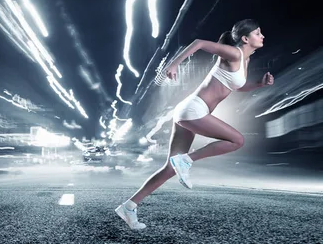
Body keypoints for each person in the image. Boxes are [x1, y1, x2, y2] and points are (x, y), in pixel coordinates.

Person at [115, 19, 274, 230]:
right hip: (193, 110)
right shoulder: (234, 52)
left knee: (170, 167)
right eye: (258, 33)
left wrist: (259, 85)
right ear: (245, 39)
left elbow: (236, 86)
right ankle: (187, 160)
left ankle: (129, 206)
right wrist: (173, 64)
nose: (262, 36)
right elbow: (199, 42)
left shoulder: (244, 60)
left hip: (190, 111)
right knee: (237, 140)